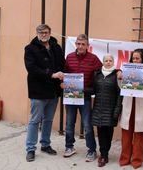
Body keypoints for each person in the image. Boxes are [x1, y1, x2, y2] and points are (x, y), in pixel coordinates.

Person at [24, 24, 65, 162]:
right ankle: (30, 149)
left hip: (53, 91)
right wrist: (51, 74)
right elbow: (31, 68)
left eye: (45, 32)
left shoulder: (56, 47)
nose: (43, 34)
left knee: (48, 119)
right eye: (40, 32)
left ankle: (45, 144)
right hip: (38, 91)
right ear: (37, 33)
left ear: (50, 33)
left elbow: (62, 65)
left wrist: (64, 78)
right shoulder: (30, 49)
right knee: (35, 120)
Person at [62, 34, 102, 162]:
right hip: (70, 96)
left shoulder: (93, 59)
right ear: (76, 44)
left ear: (87, 46)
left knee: (87, 125)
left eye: (83, 44)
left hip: (85, 97)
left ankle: (92, 150)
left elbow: (103, 72)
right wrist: (62, 83)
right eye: (78, 44)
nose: (80, 46)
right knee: (69, 124)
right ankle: (69, 147)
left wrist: (117, 71)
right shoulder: (69, 57)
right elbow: (64, 73)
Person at [119, 48, 143, 169]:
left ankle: (137, 160)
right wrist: (120, 78)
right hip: (129, 106)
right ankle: (125, 158)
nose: (135, 60)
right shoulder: (127, 69)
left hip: (141, 107)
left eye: (137, 58)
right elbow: (121, 87)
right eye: (133, 58)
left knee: (139, 135)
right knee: (126, 134)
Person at [91, 54, 123, 167]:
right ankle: (103, 155)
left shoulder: (117, 75)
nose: (108, 62)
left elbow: (120, 95)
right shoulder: (97, 74)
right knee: (100, 133)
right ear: (103, 62)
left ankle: (105, 154)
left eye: (110, 60)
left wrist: (117, 111)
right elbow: (93, 90)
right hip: (98, 109)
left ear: (113, 62)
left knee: (108, 134)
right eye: (106, 60)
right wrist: (79, 89)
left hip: (111, 110)